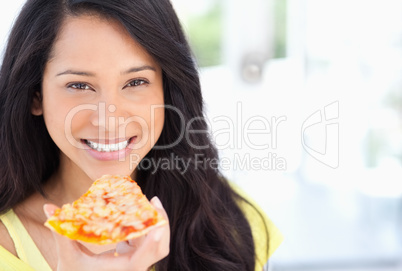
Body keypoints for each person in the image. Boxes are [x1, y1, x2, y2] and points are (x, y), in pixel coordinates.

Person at [0, 0, 283, 270]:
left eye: (136, 82)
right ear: (35, 95)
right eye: (79, 85)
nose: (109, 122)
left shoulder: (227, 223)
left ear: (167, 90)